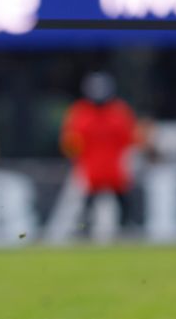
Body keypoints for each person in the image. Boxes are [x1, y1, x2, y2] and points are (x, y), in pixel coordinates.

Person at [60, 71, 137, 236]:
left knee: (123, 203)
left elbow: (129, 140)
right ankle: (82, 231)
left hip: (115, 168)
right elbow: (71, 142)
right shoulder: (81, 111)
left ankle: (125, 231)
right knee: (83, 204)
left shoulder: (118, 111)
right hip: (90, 168)